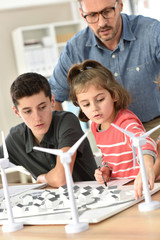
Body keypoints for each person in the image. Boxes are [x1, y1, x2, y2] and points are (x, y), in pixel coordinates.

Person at [49, 0, 160, 140]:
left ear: (120, 5)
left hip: (154, 129)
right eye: (92, 15)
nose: (101, 23)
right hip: (110, 135)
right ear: (82, 14)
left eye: (107, 12)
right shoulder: (75, 49)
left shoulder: (152, 32)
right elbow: (53, 97)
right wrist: (67, 141)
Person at [67, 59, 160, 199]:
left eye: (100, 99)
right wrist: (106, 170)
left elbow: (144, 142)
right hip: (122, 190)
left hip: (142, 189)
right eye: (86, 104)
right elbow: (110, 157)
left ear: (114, 95)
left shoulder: (125, 121)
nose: (94, 108)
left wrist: (147, 167)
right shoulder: (95, 126)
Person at [0, 72, 97, 187]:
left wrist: (43, 177)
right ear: (17, 112)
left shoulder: (67, 121)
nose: (37, 118)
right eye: (27, 111)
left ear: (52, 101)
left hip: (92, 199)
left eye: (42, 107)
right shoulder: (16, 137)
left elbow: (62, 178)